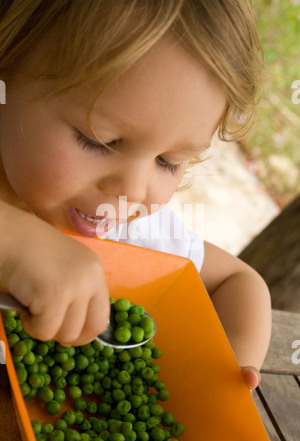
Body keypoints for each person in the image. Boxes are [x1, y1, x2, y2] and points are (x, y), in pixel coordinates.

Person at [0, 0, 271, 389]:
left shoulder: (134, 235)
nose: (133, 190)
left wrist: (225, 376)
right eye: (99, 141)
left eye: (168, 161)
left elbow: (238, 281)